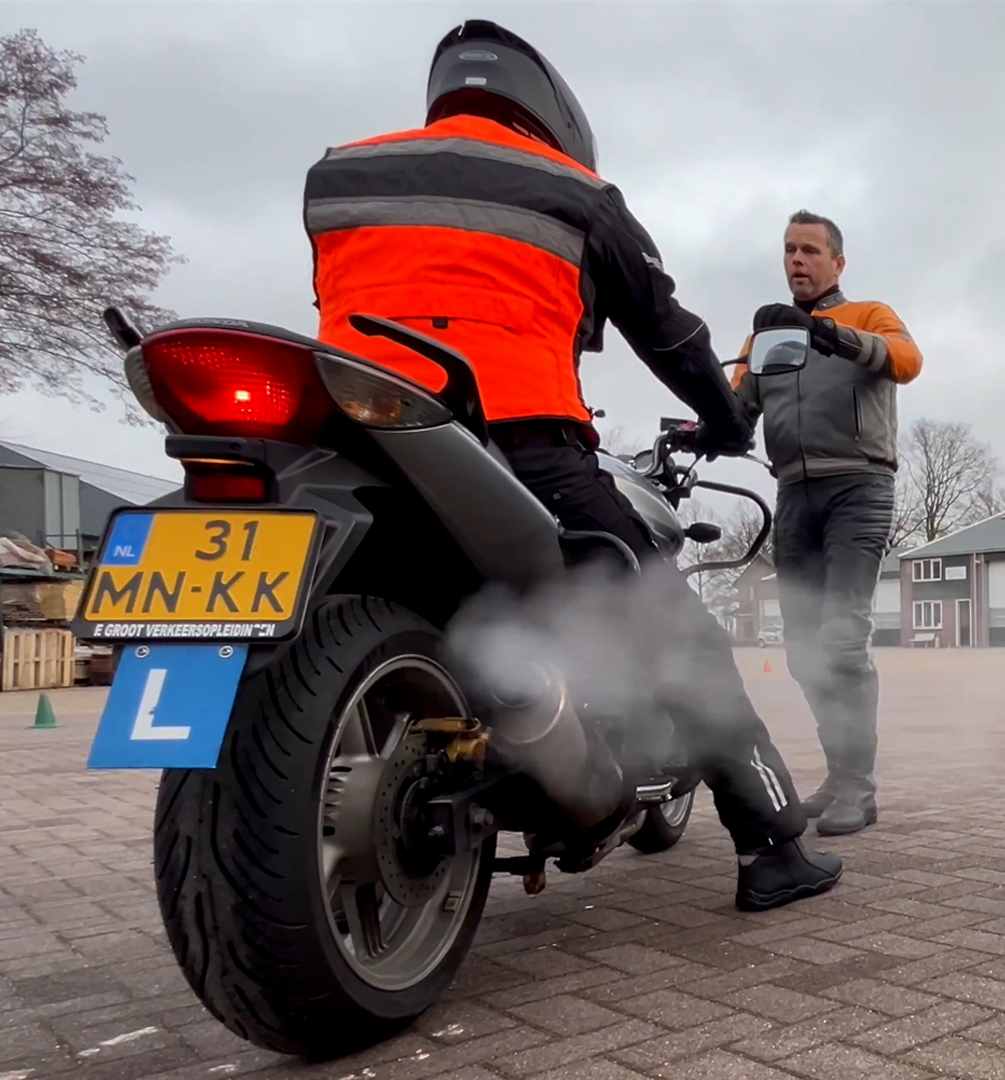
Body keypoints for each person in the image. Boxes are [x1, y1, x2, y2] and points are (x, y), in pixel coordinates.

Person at [302, 19, 841, 912]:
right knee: (679, 635)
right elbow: (668, 332)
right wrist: (723, 418)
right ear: (550, 110)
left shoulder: (339, 172)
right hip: (518, 441)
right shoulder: (576, 190)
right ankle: (771, 848)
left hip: (352, 435)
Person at [732, 212, 922, 836]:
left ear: (837, 263)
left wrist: (831, 336)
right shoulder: (765, 334)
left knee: (841, 640)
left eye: (811, 250)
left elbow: (907, 359)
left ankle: (859, 789)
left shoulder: (867, 314)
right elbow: (735, 408)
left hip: (858, 489)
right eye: (789, 249)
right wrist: (702, 423)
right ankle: (840, 774)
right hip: (793, 495)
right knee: (803, 652)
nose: (797, 260)